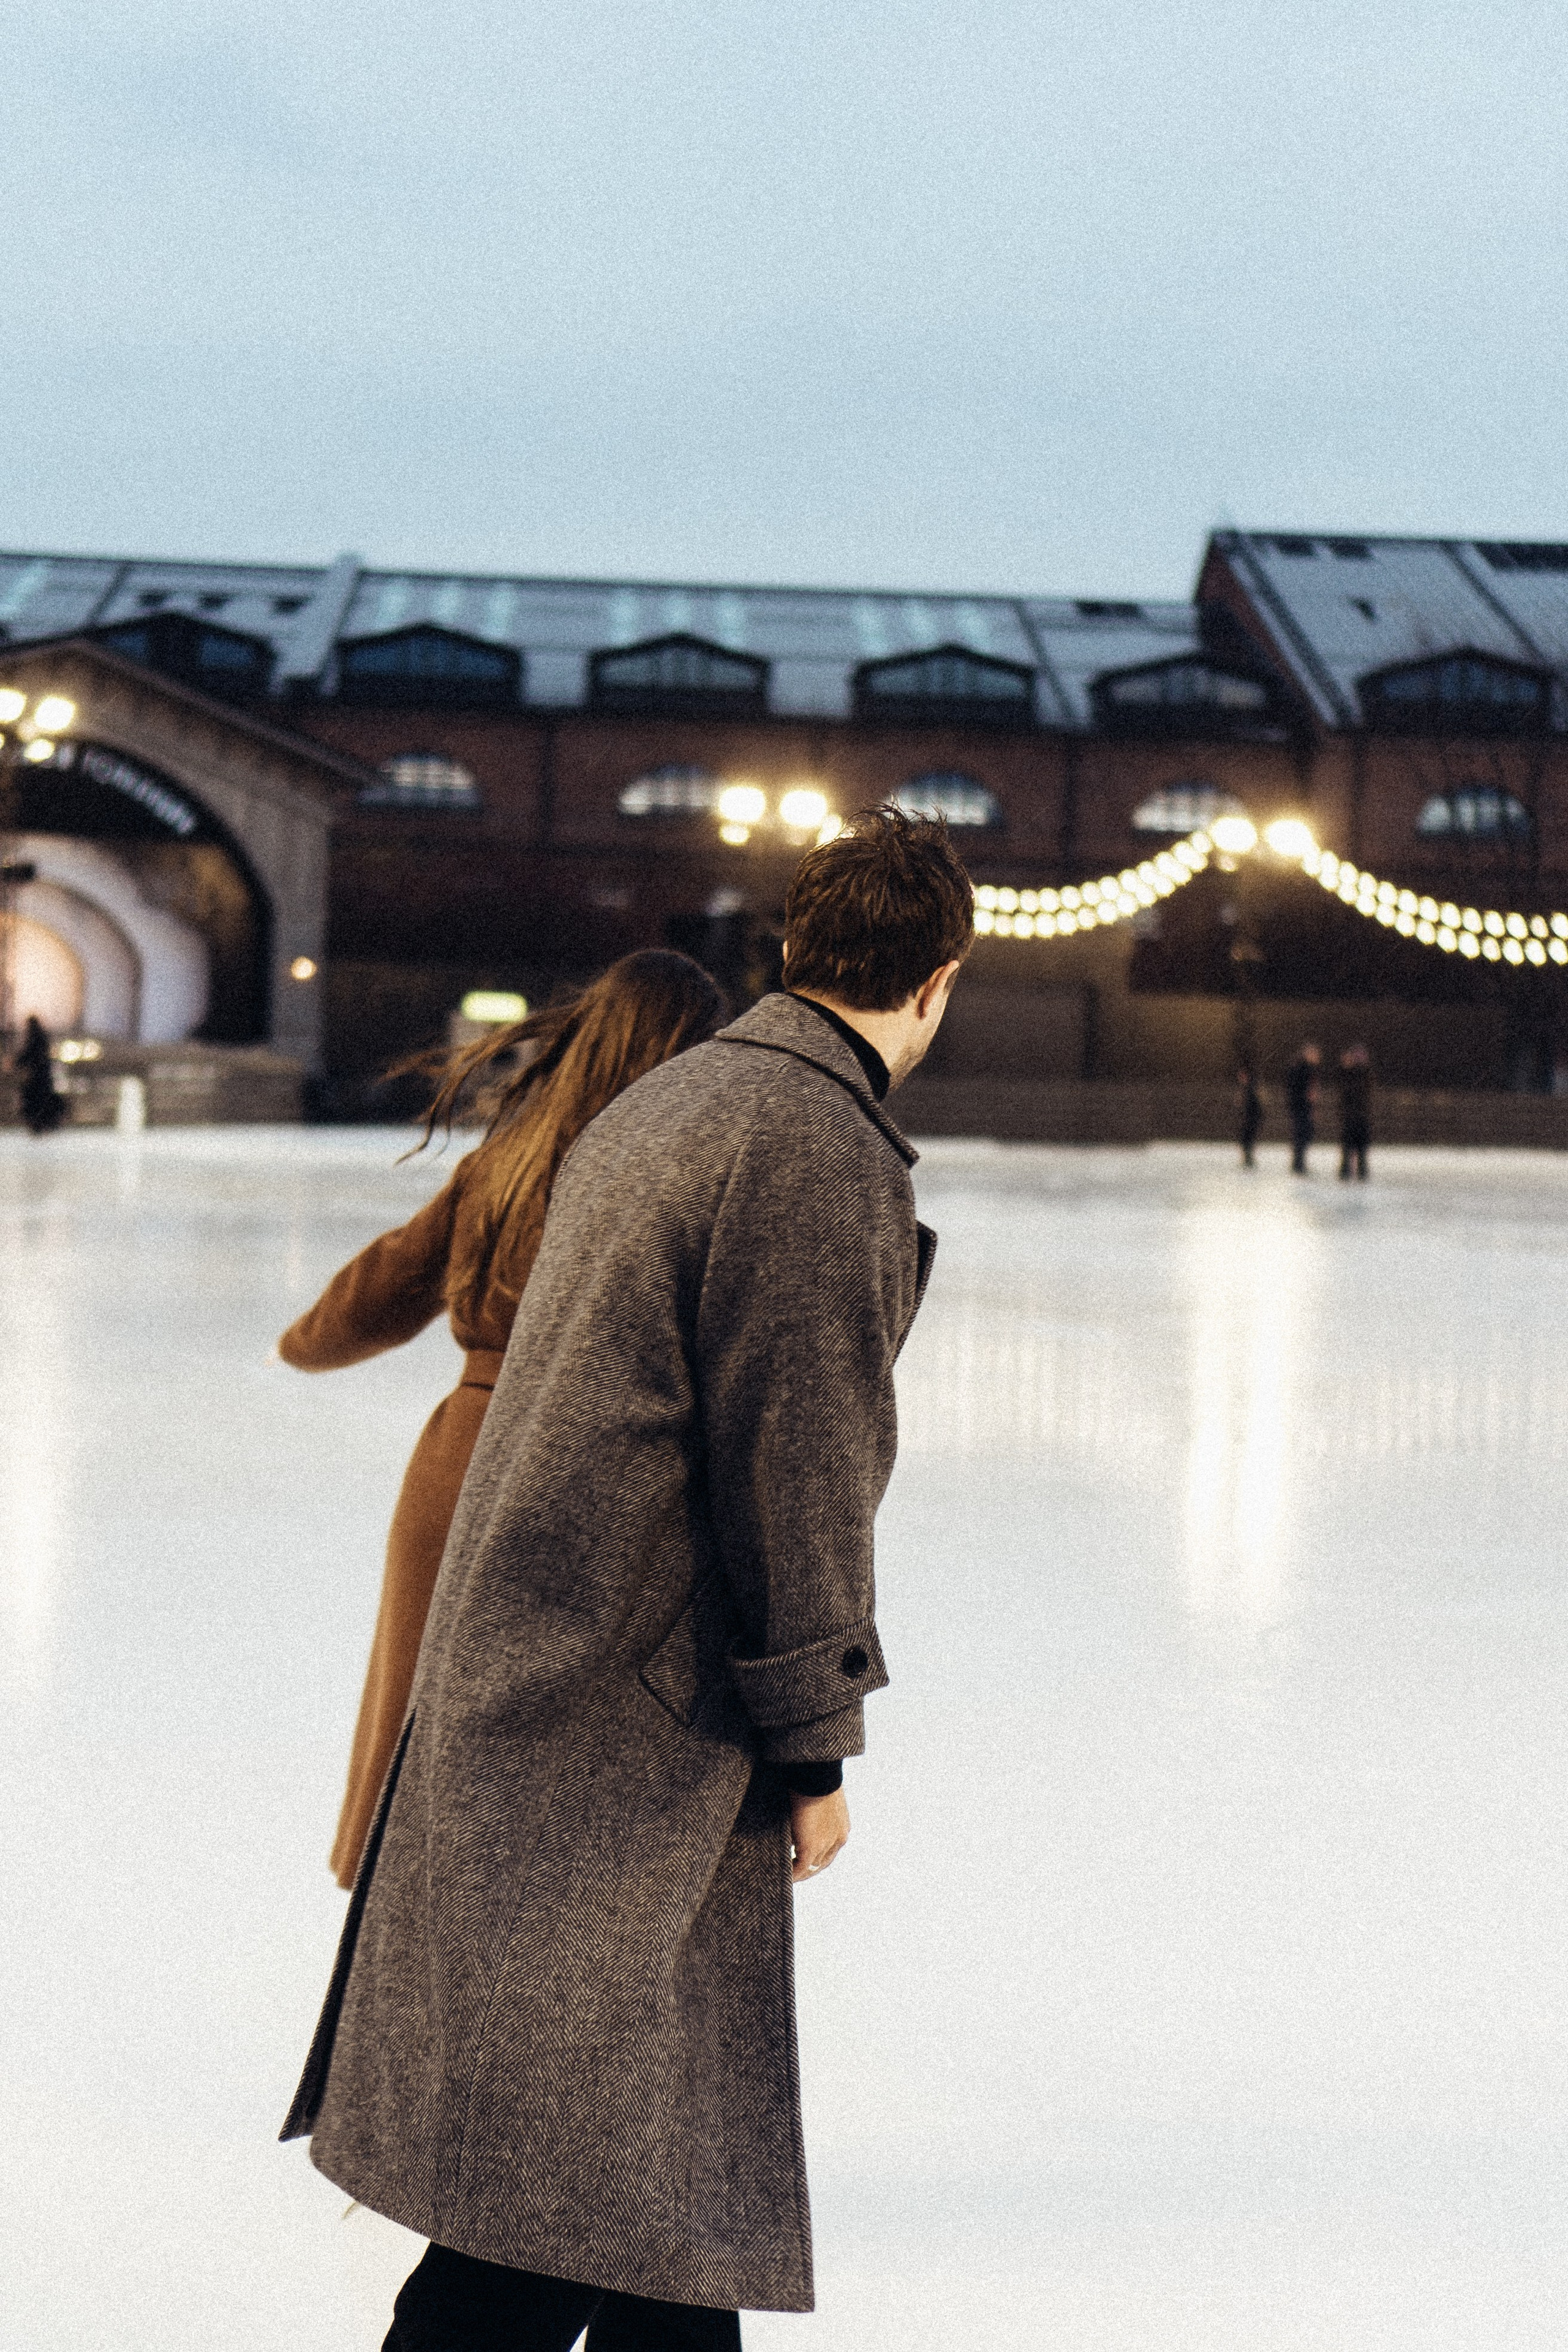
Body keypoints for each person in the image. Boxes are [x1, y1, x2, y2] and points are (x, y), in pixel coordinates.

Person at [281, 806, 973, 2351]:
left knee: (662, 2194)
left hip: (558, 1672)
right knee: (556, 2217)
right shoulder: (813, 1146)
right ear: (936, 982)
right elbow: (799, 1474)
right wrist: (813, 1745)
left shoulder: (659, 1110)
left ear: (795, 951)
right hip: (638, 1719)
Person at [277, 950, 725, 1888]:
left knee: (419, 1757)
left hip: (459, 1464)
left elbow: (357, 1311)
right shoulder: (680, 1179)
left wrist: (306, 1337)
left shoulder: (506, 1161)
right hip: (589, 1473)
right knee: (539, 1802)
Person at [12, 1014, 65, 1136]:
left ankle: (38, 1125)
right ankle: (45, 1124)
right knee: (42, 1100)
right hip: (43, 1077)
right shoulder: (42, 1038)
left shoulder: (34, 1039)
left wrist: (16, 1063)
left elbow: (29, 1055)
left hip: (36, 1077)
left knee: (34, 1100)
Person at [1337, 1042, 1372, 1181]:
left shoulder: (1364, 1074)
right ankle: (1348, 1169)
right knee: (1349, 1143)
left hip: (1360, 1114)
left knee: (1360, 1144)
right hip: (1352, 1114)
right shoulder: (1348, 1073)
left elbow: (1364, 1092)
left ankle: (1360, 1170)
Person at [1285, 1040, 1321, 1175]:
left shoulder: (1307, 1069)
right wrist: (1307, 1097)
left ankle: (1299, 1163)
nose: (1317, 1057)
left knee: (1305, 1134)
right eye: (1314, 1054)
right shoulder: (1302, 1069)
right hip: (1300, 1106)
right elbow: (1296, 1089)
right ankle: (1298, 1164)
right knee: (1302, 1135)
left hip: (1303, 1106)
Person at [1237, 1060, 1263, 1168]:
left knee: (1247, 1138)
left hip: (1251, 1117)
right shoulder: (1249, 1088)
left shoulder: (1250, 1089)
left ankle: (1248, 1159)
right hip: (1251, 1117)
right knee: (1247, 1138)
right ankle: (1248, 1158)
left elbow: (1252, 1105)